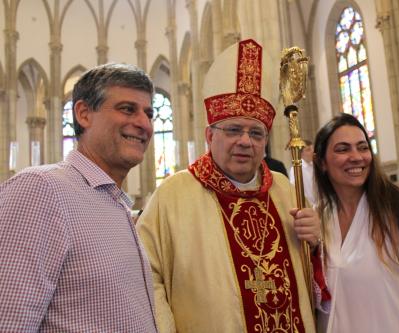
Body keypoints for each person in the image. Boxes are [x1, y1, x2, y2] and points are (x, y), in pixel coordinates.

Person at [137, 39, 320, 332]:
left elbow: (313, 277)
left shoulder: (286, 191)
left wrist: (315, 244)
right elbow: (145, 277)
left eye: (256, 133)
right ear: (210, 136)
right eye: (234, 129)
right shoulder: (173, 195)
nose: (245, 141)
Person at [0, 63, 161, 332]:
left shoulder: (114, 202)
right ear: (84, 114)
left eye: (149, 113)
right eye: (127, 109)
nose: (144, 124)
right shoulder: (41, 190)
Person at [313, 113, 399, 332]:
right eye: (343, 149)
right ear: (321, 162)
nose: (356, 157)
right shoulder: (319, 217)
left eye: (363, 147)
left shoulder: (397, 209)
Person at [289, 139, 316, 205]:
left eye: (313, 149)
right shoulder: (296, 168)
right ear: (300, 154)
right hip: (307, 205)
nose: (313, 152)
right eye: (308, 150)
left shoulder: (315, 166)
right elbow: (295, 190)